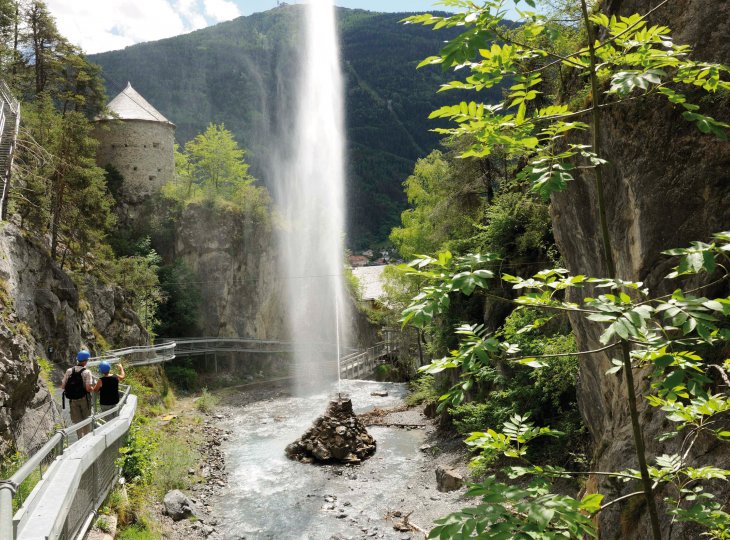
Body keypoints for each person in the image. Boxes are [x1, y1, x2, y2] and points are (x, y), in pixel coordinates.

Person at [61, 350, 95, 437]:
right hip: (84, 399)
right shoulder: (87, 372)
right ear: (85, 361)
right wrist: (94, 388)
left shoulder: (69, 371)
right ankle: (87, 438)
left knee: (77, 421)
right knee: (86, 420)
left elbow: (62, 386)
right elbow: (88, 388)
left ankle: (80, 438)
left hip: (72, 400)